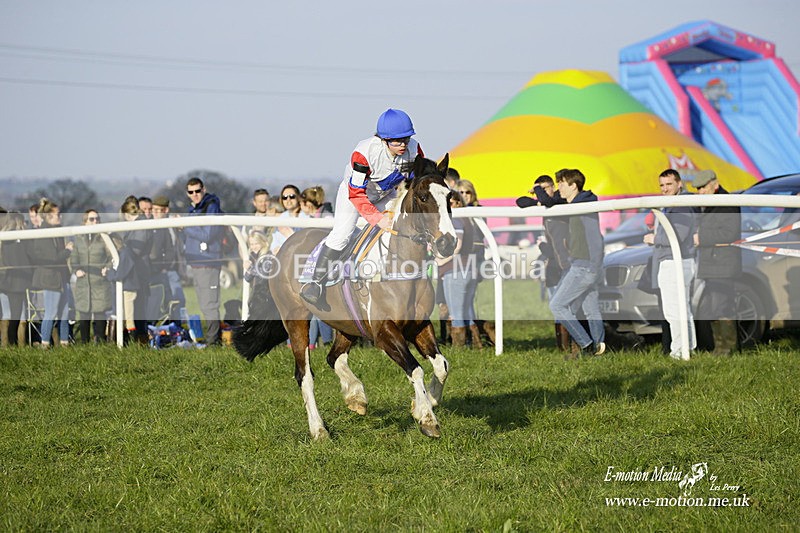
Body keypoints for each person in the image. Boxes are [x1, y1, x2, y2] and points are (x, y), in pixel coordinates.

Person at [300, 108, 423, 309]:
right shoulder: (364, 153)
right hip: (355, 194)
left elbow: (414, 182)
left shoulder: (415, 150)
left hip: (386, 193)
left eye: (406, 139)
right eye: (396, 141)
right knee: (342, 235)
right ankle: (315, 283)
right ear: (383, 140)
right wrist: (377, 218)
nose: (403, 145)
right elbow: (357, 194)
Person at [547, 169, 606, 357]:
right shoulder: (576, 204)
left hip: (584, 266)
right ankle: (599, 347)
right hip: (586, 265)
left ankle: (586, 344)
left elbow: (596, 238)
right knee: (591, 309)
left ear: (573, 185)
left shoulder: (584, 205)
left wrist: (594, 265)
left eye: (562, 184)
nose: (559, 188)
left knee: (557, 305)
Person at [642, 169, 697, 360]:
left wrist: (654, 238)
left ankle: (679, 352)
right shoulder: (674, 204)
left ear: (679, 184)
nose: (665, 189)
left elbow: (678, 236)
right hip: (676, 261)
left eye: (669, 184)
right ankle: (687, 348)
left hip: (676, 262)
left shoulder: (680, 205)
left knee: (675, 310)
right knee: (682, 309)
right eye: (662, 185)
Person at [518, 174, 572, 351]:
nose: (539, 194)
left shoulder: (560, 200)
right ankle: (562, 347)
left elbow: (549, 202)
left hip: (566, 262)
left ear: (553, 187)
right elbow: (520, 201)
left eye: (543, 189)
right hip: (553, 264)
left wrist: (539, 193)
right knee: (555, 305)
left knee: (566, 305)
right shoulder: (543, 203)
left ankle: (576, 344)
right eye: (536, 191)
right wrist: (537, 198)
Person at [692, 169, 742, 355]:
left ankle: (727, 349)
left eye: (703, 187)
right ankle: (720, 347)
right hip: (711, 263)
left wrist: (701, 237)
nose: (700, 192)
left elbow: (730, 233)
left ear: (715, 184)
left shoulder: (727, 203)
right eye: (698, 189)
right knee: (714, 307)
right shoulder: (709, 203)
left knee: (722, 306)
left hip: (723, 264)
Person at [436, 192, 481, 348]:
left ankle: (459, 348)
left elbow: (457, 246)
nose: (449, 207)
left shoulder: (456, 220)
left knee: (455, 313)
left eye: (452, 203)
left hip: (455, 270)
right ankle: (476, 344)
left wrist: (440, 262)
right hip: (469, 268)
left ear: (458, 204)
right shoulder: (467, 219)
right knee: (467, 310)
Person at [27, 198, 74, 348]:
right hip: (51, 279)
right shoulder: (44, 234)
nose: (60, 217)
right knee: (51, 313)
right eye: (57, 214)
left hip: (61, 278)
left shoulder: (57, 232)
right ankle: (45, 344)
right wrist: (67, 251)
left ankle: (65, 344)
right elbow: (52, 258)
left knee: (65, 313)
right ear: (48, 216)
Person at [183, 177, 224, 345]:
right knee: (204, 303)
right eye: (191, 192)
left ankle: (213, 341)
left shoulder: (211, 206)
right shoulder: (193, 210)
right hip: (197, 263)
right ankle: (212, 339)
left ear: (204, 190)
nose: (195, 195)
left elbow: (208, 234)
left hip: (209, 262)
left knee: (209, 304)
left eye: (197, 191)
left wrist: (186, 226)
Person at [70, 210, 113, 343]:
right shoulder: (79, 238)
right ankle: (84, 343)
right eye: (92, 219)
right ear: (85, 222)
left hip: (100, 283)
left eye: (97, 219)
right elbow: (74, 259)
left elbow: (112, 257)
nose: (95, 221)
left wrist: (107, 268)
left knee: (100, 314)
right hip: (83, 284)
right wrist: (76, 270)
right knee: (84, 315)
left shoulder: (104, 238)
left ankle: (100, 342)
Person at [300, 186, 334, 348]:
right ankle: (316, 343)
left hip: (324, 265)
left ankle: (323, 342)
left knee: (317, 306)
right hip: (314, 263)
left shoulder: (326, 217)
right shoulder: (317, 215)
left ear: (308, 204)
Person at [151, 195, 186, 324]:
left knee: (178, 301)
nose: (153, 213)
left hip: (172, 270)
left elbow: (178, 246)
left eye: (157, 210)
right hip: (156, 271)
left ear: (165, 210)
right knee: (157, 303)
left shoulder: (172, 224)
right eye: (153, 209)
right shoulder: (151, 225)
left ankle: (176, 329)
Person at [0, 212, 32, 346]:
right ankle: (12, 343)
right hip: (16, 283)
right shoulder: (20, 241)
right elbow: (27, 258)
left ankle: (8, 343)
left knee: (8, 314)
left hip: (6, 282)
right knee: (16, 315)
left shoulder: (4, 240)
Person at [270, 185, 309, 254]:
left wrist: (290, 235)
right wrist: (275, 248)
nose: (288, 200)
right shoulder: (281, 218)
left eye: (292, 196)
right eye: (284, 197)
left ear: (298, 198)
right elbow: (275, 240)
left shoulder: (306, 217)